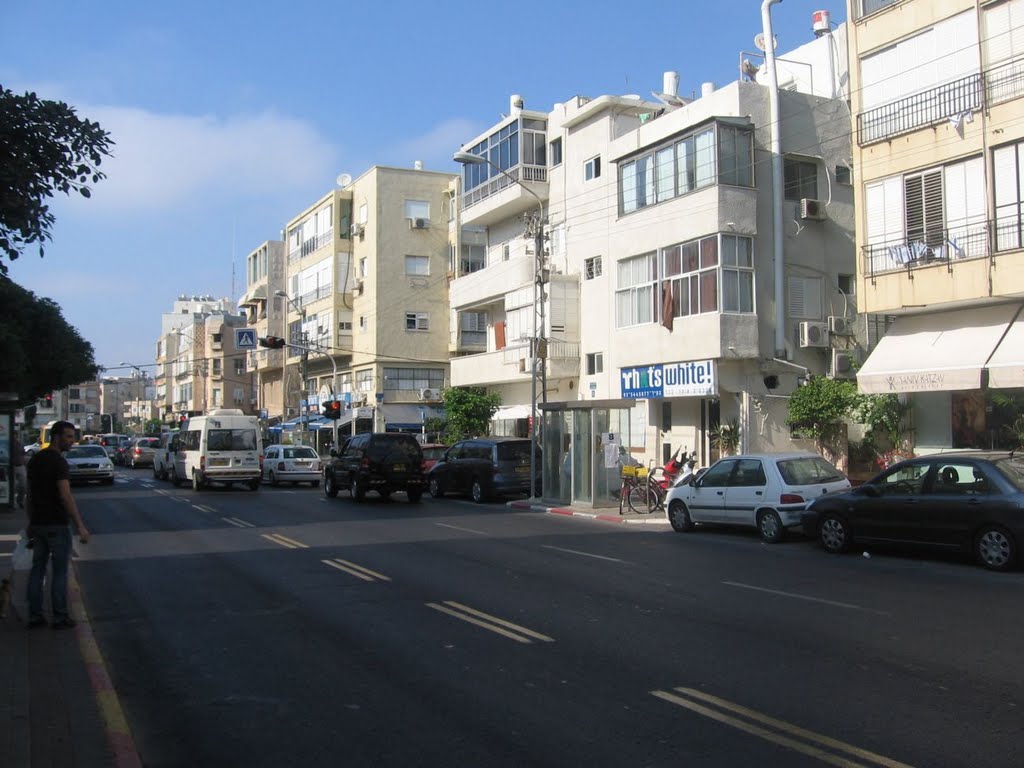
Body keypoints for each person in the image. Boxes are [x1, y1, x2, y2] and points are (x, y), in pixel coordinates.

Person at [26, 420, 90, 629]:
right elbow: (65, 495)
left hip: (38, 523)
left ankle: (35, 616)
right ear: (57, 437)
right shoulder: (59, 463)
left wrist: (30, 522)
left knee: (37, 569)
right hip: (56, 523)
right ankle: (60, 616)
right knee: (60, 571)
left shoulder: (35, 460)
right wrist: (79, 524)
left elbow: (30, 494)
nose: (72, 441)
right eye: (69, 437)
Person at [11, 431, 26, 509]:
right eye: (14, 435)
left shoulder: (20, 443)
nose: (15, 437)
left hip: (20, 466)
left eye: (16, 435)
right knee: (12, 486)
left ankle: (20, 501)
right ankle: (12, 502)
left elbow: (23, 454)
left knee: (23, 485)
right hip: (11, 466)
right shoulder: (9, 443)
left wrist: (24, 463)